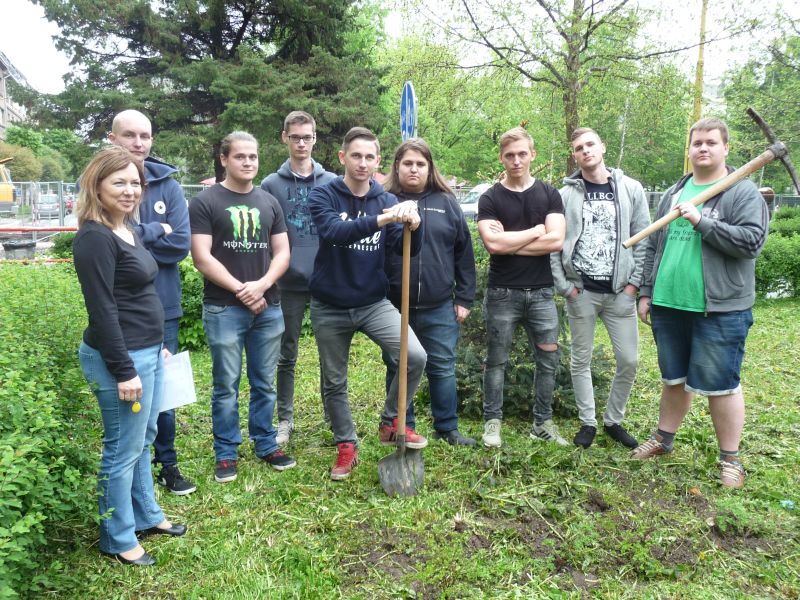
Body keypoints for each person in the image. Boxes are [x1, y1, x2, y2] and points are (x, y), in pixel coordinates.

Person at [633, 118, 768, 489]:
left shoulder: (742, 193)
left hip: (719, 308)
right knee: (673, 378)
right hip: (669, 304)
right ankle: (663, 439)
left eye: (711, 142)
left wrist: (701, 222)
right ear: (689, 149)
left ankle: (731, 459)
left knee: (722, 384)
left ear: (726, 148)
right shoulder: (674, 192)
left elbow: (751, 243)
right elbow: (654, 244)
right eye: (697, 143)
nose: (703, 148)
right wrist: (646, 291)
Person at [74, 147, 187, 566]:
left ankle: (146, 515)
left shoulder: (126, 228)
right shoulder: (94, 238)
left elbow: (136, 294)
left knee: (144, 439)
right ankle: (118, 538)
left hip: (147, 351)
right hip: (120, 359)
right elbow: (103, 310)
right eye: (118, 182)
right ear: (96, 185)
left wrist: (156, 345)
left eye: (135, 183)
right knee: (122, 450)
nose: (129, 190)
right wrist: (124, 370)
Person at [308, 126, 427, 481]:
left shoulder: (385, 199)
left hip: (373, 302)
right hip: (329, 304)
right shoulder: (323, 194)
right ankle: (346, 444)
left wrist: (414, 226)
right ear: (342, 157)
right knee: (334, 380)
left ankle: (391, 421)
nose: (362, 163)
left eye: (369, 157)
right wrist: (385, 218)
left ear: (378, 161)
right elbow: (334, 233)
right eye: (356, 156)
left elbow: (403, 249)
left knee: (414, 356)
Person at [189, 131, 296, 484]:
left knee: (265, 382)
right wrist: (242, 290)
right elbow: (201, 257)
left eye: (253, 156)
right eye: (240, 156)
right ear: (224, 159)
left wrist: (261, 286)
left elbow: (282, 253)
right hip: (224, 309)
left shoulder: (269, 202)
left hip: (268, 307)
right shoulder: (205, 202)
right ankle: (226, 452)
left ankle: (266, 443)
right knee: (226, 385)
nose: (248, 162)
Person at [107, 109, 196, 495]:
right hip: (119, 307)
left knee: (163, 391)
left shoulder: (168, 187)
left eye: (145, 135)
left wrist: (130, 240)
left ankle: (167, 462)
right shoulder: (100, 183)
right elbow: (101, 241)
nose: (138, 143)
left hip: (163, 305)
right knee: (126, 387)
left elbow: (179, 245)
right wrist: (154, 231)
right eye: (130, 135)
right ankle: (130, 464)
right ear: (113, 139)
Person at [551, 127, 651, 449]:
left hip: (621, 293)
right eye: (579, 147)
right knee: (580, 360)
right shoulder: (565, 196)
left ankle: (613, 420)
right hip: (582, 293)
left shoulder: (630, 189)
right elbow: (554, 245)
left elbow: (643, 238)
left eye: (590, 144)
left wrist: (633, 285)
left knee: (629, 360)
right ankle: (588, 422)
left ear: (603, 147)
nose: (586, 150)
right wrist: (565, 287)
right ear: (574, 156)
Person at [382, 138, 477, 446]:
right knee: (398, 366)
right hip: (395, 305)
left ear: (429, 168)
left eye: (420, 164)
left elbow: (464, 252)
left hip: (439, 305)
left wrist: (464, 297)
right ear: (397, 166)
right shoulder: (384, 200)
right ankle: (402, 425)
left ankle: (447, 428)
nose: (414, 169)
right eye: (408, 163)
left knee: (442, 367)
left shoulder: (446, 202)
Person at [477, 127, 566, 448]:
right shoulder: (490, 198)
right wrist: (536, 231)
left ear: (532, 155)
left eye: (522, 154)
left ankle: (542, 423)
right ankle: (492, 423)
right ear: (502, 158)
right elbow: (493, 245)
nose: (516, 160)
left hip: (542, 293)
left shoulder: (549, 194)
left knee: (548, 360)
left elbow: (556, 241)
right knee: (496, 360)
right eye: (510, 155)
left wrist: (510, 242)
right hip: (502, 293)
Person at [260, 111, 336, 445]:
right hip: (286, 283)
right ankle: (285, 419)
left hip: (325, 281)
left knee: (329, 353)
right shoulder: (270, 185)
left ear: (315, 138)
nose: (301, 143)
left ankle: (334, 416)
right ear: (285, 138)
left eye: (307, 137)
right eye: (295, 137)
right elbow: (264, 236)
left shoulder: (331, 182)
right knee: (286, 354)